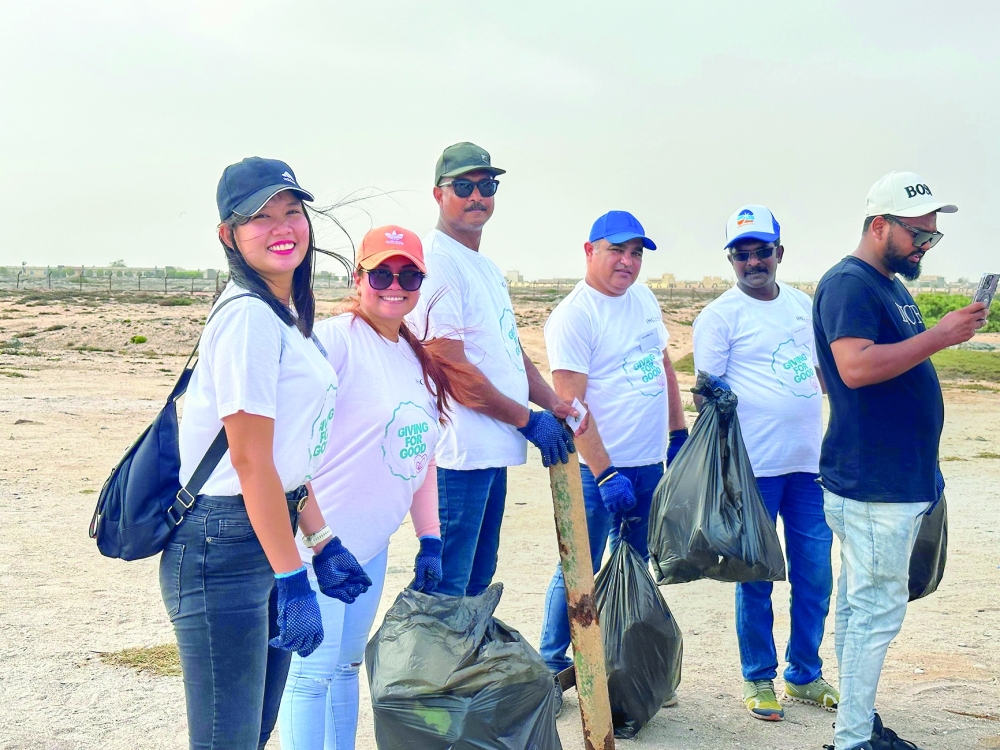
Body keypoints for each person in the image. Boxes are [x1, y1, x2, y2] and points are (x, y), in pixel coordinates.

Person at [161, 157, 370, 750]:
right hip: (222, 542)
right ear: (229, 234)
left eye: (291, 211)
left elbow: (288, 457)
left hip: (265, 528)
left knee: (251, 733)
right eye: (259, 217)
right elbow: (250, 462)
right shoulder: (249, 318)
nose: (282, 226)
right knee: (227, 739)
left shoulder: (285, 316)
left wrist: (322, 539)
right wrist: (292, 574)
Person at [278, 225, 480, 749]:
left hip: (368, 548)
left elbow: (419, 453)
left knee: (346, 668)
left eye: (408, 274)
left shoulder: (415, 357)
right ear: (358, 277)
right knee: (311, 675)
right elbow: (288, 445)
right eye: (382, 273)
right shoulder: (334, 339)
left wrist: (430, 537)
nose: (396, 284)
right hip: (319, 545)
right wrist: (316, 542)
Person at [813, 172, 986, 750]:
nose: (924, 247)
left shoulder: (888, 283)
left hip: (893, 477)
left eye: (932, 239)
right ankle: (853, 740)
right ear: (878, 225)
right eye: (917, 235)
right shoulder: (849, 284)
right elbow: (855, 368)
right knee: (874, 611)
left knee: (860, 605)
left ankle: (853, 726)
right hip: (874, 483)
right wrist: (942, 335)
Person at [407, 141, 580, 598]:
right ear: (438, 194)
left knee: (477, 585)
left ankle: (465, 671)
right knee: (448, 590)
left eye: (486, 185)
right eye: (462, 185)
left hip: (491, 451)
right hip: (457, 456)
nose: (476, 195)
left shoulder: (484, 267)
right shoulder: (439, 261)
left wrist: (552, 403)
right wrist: (528, 420)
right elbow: (452, 367)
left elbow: (507, 351)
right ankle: (434, 673)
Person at [692, 205, 836, 722]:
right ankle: (758, 678)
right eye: (742, 254)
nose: (754, 261)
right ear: (731, 259)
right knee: (754, 576)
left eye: (762, 251)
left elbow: (825, 373)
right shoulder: (719, 317)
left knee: (815, 574)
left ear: (780, 253)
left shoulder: (805, 305)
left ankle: (804, 673)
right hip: (751, 470)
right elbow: (705, 398)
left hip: (808, 467)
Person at [538, 210, 687, 683]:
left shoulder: (643, 299)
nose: (627, 262)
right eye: (616, 251)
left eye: (636, 253)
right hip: (597, 471)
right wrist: (604, 472)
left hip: (648, 464)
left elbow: (662, 363)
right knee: (578, 567)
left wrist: (678, 431)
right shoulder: (574, 316)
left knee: (634, 566)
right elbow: (571, 403)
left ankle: (620, 663)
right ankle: (552, 662)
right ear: (589, 251)